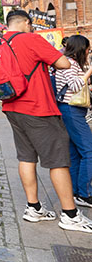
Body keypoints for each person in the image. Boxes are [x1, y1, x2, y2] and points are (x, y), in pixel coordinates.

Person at [0, 10, 91, 233]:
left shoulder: (0, 43)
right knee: (58, 160)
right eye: (30, 25)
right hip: (38, 108)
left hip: (12, 106)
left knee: (26, 157)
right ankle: (70, 215)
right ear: (26, 23)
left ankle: (34, 208)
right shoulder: (31, 38)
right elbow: (63, 63)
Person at [53, 35, 92, 208]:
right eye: (87, 49)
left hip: (70, 110)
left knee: (76, 154)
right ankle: (84, 193)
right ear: (81, 49)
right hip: (71, 110)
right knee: (89, 151)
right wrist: (89, 71)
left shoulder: (70, 63)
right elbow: (75, 86)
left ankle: (77, 191)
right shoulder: (68, 63)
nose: (88, 52)